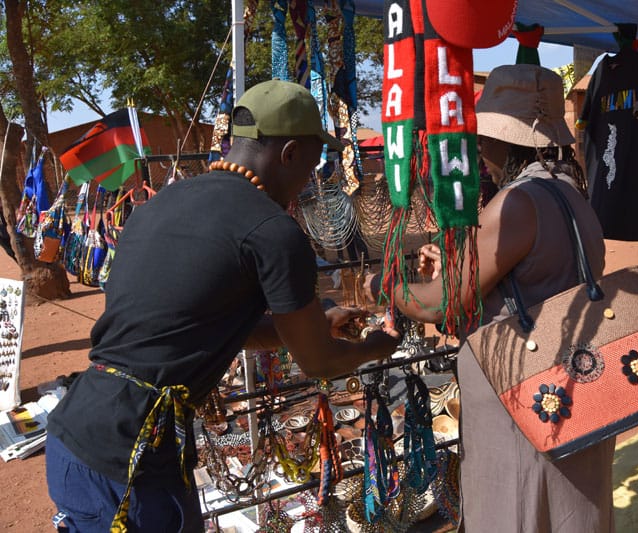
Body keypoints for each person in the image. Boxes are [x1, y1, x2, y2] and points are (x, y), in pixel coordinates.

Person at [45, 80, 399, 532]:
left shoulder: (165, 202)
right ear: (289, 153)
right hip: (131, 462)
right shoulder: (272, 230)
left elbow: (203, 324)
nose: (311, 179)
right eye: (311, 165)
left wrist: (316, 323)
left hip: (80, 434)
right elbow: (319, 363)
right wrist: (377, 347)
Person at [366, 64, 614, 531]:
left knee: (516, 507)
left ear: (506, 140)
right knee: (569, 507)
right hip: (574, 387)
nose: (482, 151)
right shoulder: (572, 193)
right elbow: (529, 278)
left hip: (523, 399)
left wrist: (389, 288)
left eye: (486, 140)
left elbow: (440, 304)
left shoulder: (520, 201)